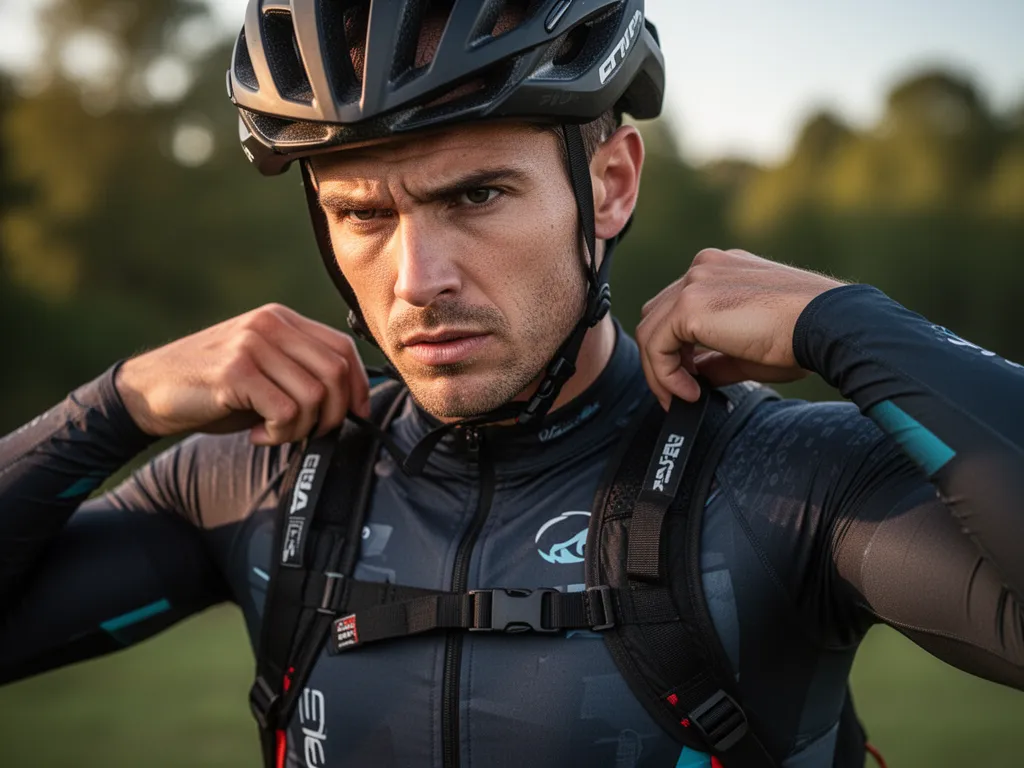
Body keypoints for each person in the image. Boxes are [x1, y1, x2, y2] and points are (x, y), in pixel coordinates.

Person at [1, 1, 1022, 766]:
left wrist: (848, 325)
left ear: (611, 184)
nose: (418, 281)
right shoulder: (255, 482)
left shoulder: (787, 481)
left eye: (477, 194)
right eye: (364, 215)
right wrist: (112, 407)